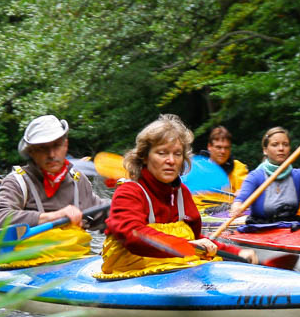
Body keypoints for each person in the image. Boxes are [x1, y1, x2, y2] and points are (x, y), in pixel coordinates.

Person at [100, 114, 256, 279]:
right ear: (145, 157)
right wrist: (185, 246)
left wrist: (237, 251)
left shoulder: (182, 194)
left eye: (177, 154)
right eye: (162, 153)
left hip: (179, 268)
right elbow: (133, 235)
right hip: (130, 274)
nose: (171, 160)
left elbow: (197, 240)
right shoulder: (129, 192)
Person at [0, 115, 109, 265]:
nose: (51, 155)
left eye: (56, 145)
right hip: (29, 267)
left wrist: (128, 203)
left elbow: (102, 215)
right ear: (31, 152)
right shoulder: (17, 182)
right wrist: (53, 216)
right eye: (43, 148)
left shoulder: (77, 180)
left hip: (76, 264)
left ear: (66, 145)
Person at [232, 126, 300, 224]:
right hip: (260, 228)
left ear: (289, 149)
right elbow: (241, 198)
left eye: (285, 144)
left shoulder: (298, 175)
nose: (281, 148)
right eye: (275, 145)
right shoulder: (255, 176)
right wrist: (237, 206)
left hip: (291, 228)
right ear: (265, 150)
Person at [197, 126, 248, 194]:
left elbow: (246, 191)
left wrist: (242, 194)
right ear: (209, 146)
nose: (223, 151)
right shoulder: (196, 167)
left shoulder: (238, 168)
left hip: (229, 204)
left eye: (226, 148)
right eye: (218, 147)